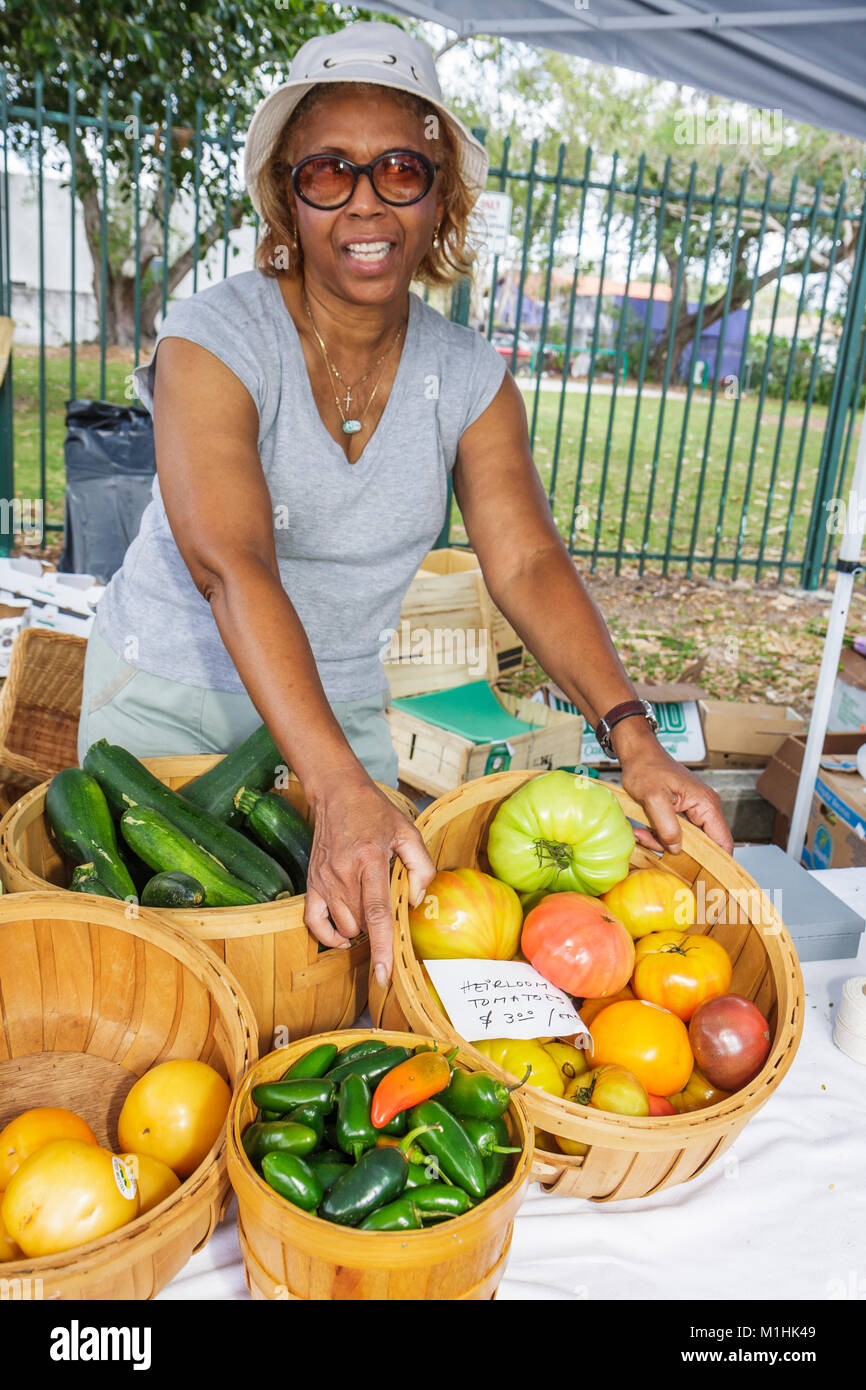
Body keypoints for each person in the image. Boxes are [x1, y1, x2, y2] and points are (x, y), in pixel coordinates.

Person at [77, 20, 732, 986]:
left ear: (442, 198)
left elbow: (526, 562)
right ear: (286, 198)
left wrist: (632, 737)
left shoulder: (466, 375)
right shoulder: (216, 334)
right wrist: (338, 787)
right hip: (170, 702)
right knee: (155, 981)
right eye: (327, 173)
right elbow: (230, 562)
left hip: (338, 707)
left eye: (399, 170)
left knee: (348, 982)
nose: (364, 204)